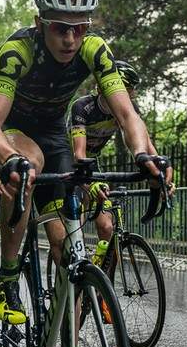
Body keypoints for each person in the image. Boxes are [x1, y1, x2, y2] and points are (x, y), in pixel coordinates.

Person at [0, 0, 168, 347]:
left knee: (67, 247)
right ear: (39, 23)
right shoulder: (18, 50)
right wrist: (8, 159)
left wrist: (142, 154)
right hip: (15, 132)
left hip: (54, 135)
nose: (70, 39)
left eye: (79, 29)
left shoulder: (94, 49)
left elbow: (126, 113)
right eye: (60, 28)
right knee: (30, 164)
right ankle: (8, 280)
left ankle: (55, 346)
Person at [68, 60, 173, 248]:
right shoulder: (83, 107)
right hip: (69, 161)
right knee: (75, 226)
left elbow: (146, 145)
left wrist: (159, 172)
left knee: (107, 227)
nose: (128, 95)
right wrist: (89, 185)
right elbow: (79, 154)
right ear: (103, 87)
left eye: (130, 90)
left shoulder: (129, 110)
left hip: (92, 162)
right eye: (126, 89)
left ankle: (104, 265)